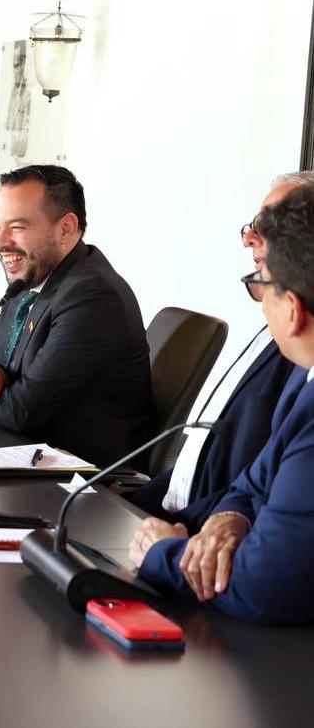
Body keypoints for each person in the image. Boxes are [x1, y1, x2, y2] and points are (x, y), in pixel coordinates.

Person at [131, 186, 314, 624]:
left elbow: (263, 586)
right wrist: (232, 517)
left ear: (292, 310)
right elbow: (253, 483)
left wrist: (161, 555)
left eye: (259, 285)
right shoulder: (305, 381)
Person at [0, 165, 153, 466]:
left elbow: (21, 410)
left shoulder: (93, 296)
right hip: (25, 454)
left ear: (66, 228)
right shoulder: (33, 276)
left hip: (82, 482)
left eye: (17, 227)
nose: (0, 241)